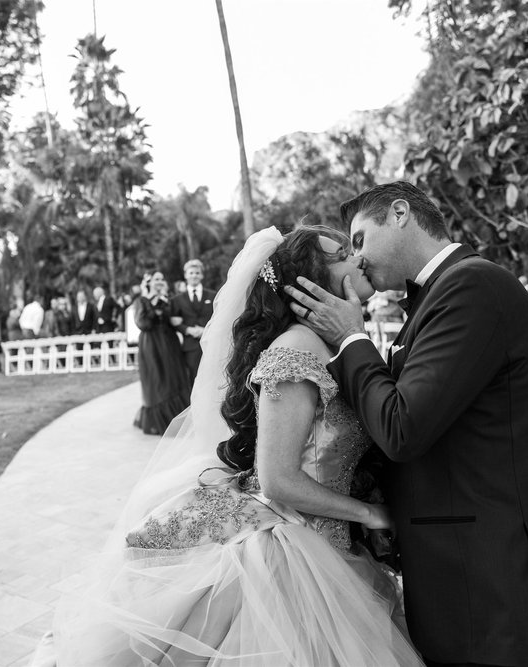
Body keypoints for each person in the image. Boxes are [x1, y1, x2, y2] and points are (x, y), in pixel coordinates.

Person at [47, 226, 423, 666]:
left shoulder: (333, 343)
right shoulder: (297, 349)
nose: (358, 258)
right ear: (310, 283)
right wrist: (370, 513)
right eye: (343, 253)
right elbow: (279, 479)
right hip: (292, 550)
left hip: (331, 544)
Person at [286, 182, 528, 667]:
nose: (356, 261)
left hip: (490, 575)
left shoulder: (472, 286)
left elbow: (403, 427)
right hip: (457, 565)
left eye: (359, 239)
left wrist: (351, 339)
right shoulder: (435, 296)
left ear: (400, 213)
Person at [131, 272, 191, 435]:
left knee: (174, 376)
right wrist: (155, 305)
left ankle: (177, 419)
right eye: (156, 279)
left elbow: (174, 320)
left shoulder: (167, 300)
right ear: (149, 283)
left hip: (169, 343)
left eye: (162, 279)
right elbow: (143, 323)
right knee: (157, 379)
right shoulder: (141, 301)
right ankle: (159, 421)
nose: (160, 282)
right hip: (151, 345)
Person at [169, 258, 216, 387]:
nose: (194, 275)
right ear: (185, 275)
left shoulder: (213, 296)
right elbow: (174, 322)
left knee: (212, 378)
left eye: (197, 272)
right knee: (193, 381)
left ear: (201, 275)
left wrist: (206, 330)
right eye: (191, 273)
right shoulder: (177, 300)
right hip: (190, 347)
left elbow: (218, 317)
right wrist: (187, 330)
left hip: (211, 344)